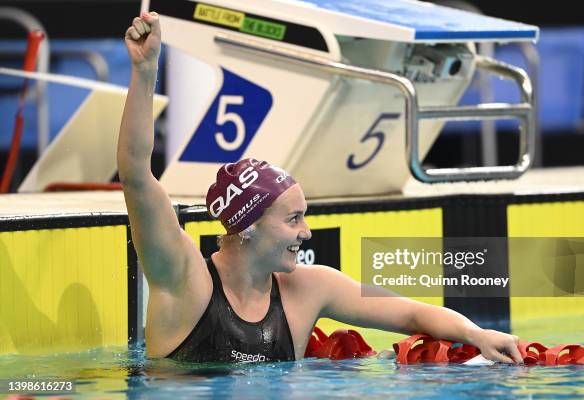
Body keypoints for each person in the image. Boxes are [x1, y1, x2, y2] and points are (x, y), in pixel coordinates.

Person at [118, 11, 524, 364]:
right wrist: (146, 71)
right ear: (249, 224)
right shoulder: (184, 279)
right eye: (293, 218)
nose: (306, 232)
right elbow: (136, 174)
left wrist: (478, 334)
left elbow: (412, 315)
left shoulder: (308, 289)